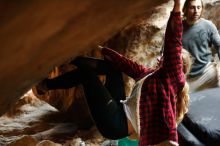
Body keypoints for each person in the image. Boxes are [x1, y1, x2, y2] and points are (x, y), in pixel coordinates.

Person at [35, 0, 191, 145]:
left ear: (176, 66)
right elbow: (129, 66)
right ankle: (71, 58)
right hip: (119, 109)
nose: (162, 57)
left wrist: (177, 7)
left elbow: (173, 42)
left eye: (167, 58)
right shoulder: (153, 76)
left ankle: (46, 85)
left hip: (117, 124)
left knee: (87, 74)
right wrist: (101, 49)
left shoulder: (173, 79)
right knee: (113, 68)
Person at [182, 0, 220, 92]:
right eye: (192, 7)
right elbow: (167, 50)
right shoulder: (178, 27)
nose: (196, 11)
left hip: (207, 72)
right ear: (185, 9)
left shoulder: (208, 26)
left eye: (199, 7)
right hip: (186, 78)